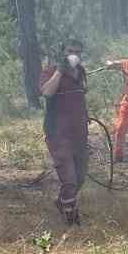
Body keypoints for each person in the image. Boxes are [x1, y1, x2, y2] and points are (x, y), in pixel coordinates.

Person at [40, 39, 90, 226]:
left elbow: (79, 99)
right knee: (69, 179)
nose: (74, 55)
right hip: (58, 134)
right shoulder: (51, 71)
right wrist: (60, 71)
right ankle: (72, 220)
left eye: (78, 52)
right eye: (70, 51)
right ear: (63, 52)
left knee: (80, 177)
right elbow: (47, 92)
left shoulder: (81, 72)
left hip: (79, 134)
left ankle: (62, 202)